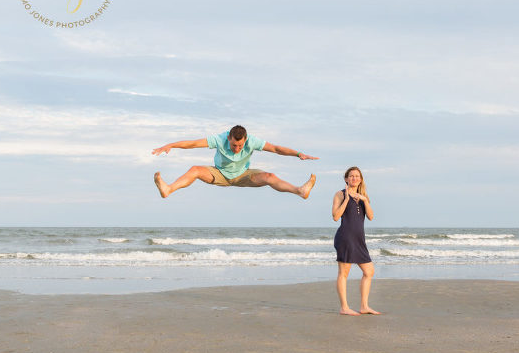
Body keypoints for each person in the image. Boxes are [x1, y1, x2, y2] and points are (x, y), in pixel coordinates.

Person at [152, 125, 318, 199]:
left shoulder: (252, 141)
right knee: (195, 169)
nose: (237, 149)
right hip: (219, 174)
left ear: (245, 140)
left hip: (243, 175)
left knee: (269, 176)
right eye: (233, 145)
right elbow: (193, 143)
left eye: (240, 145)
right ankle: (168, 189)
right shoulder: (219, 138)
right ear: (228, 138)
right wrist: (171, 145)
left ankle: (300, 191)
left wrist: (298, 154)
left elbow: (275, 149)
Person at [331, 166, 380, 316]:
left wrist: (365, 200)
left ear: (361, 179)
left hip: (359, 240)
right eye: (351, 176)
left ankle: (364, 306)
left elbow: (371, 216)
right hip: (345, 238)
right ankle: (344, 307)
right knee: (343, 273)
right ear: (346, 179)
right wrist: (346, 199)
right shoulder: (340, 194)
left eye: (357, 176)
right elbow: (335, 216)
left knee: (369, 271)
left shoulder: (363, 196)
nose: (354, 178)